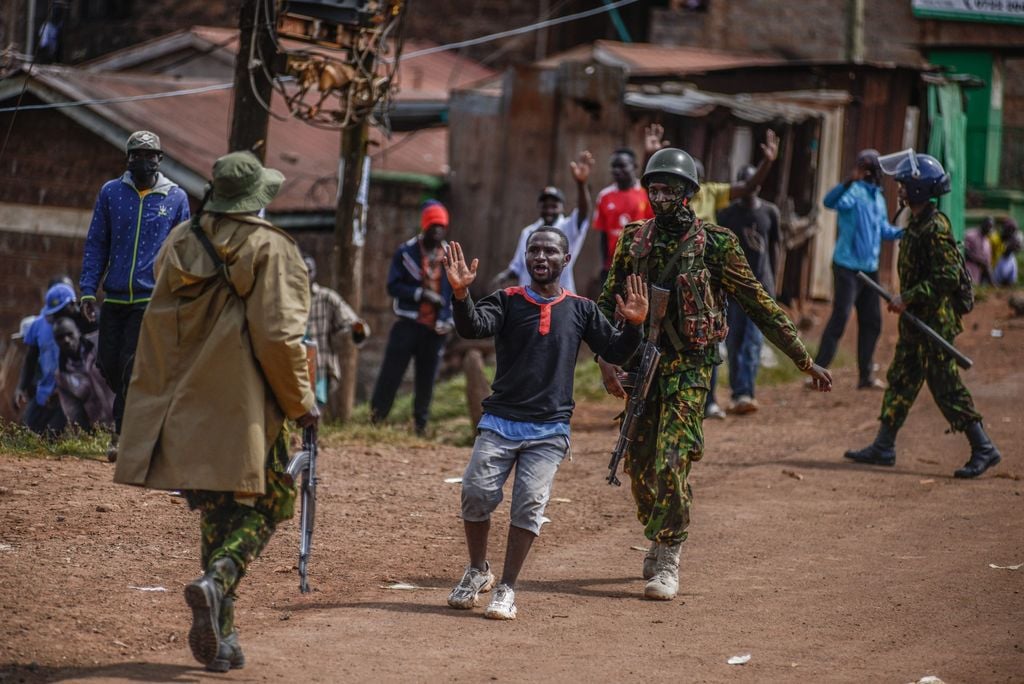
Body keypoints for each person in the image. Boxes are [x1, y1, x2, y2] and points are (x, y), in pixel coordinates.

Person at [596, 147, 832, 601]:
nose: (658, 194)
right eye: (653, 187)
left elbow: (760, 304)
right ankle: (659, 528)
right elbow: (605, 308)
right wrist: (606, 361)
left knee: (672, 458)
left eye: (668, 187)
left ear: (687, 193)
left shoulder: (716, 244)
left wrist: (804, 359)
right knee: (639, 466)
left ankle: (668, 551)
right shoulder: (633, 241)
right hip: (640, 363)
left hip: (690, 366)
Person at [113, 151, 319, 671]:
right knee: (269, 504)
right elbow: (278, 337)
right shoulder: (270, 247)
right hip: (246, 404)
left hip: (183, 402)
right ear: (257, 199)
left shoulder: (179, 240)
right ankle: (218, 579)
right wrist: (302, 405)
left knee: (216, 510)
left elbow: (157, 322)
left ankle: (222, 637)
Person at [443, 231, 647, 620]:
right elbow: (472, 327)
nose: (541, 255)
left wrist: (635, 325)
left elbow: (615, 350)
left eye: (550, 250)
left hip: (549, 430)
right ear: (525, 258)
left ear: (565, 259)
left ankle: (506, 587)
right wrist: (459, 295)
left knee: (528, 506)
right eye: (534, 249)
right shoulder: (507, 301)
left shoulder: (582, 310)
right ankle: (477, 571)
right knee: (475, 493)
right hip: (500, 421)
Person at [844, 152, 1001, 479]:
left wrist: (908, 297)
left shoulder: (935, 226)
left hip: (935, 322)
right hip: (916, 321)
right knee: (901, 377)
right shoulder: (915, 222)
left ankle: (983, 446)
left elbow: (945, 278)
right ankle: (884, 446)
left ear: (918, 190)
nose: (899, 189)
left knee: (945, 385)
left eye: (903, 185)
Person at [646, 126, 780, 419]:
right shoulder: (666, 201)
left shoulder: (710, 195)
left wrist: (767, 163)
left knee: (710, 342)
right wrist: (651, 154)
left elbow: (746, 188)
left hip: (705, 286)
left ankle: (709, 401)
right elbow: (650, 189)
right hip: (670, 283)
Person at [79, 130, 190, 461]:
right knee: (108, 364)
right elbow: (97, 242)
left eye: (149, 155)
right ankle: (142, 415)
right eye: (136, 155)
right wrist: (87, 290)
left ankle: (121, 435)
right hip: (114, 298)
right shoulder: (111, 193)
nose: (143, 160)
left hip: (150, 299)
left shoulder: (176, 198)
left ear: (159, 159)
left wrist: (180, 295)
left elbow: (182, 251)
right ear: (127, 158)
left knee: (130, 365)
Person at [813, 149, 902, 390]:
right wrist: (849, 181)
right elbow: (829, 202)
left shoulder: (878, 198)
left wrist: (903, 232)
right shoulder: (854, 191)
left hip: (869, 269)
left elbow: (883, 229)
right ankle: (817, 370)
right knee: (840, 317)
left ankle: (866, 376)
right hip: (847, 267)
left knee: (872, 321)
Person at [370, 201, 454, 435]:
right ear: (424, 226)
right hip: (408, 323)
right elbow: (393, 286)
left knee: (426, 379)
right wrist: (420, 294)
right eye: (433, 225)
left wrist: (449, 320)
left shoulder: (450, 255)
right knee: (391, 374)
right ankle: (376, 421)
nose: (437, 230)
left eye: (441, 226)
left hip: (435, 329)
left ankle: (420, 427)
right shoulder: (405, 252)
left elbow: (458, 292)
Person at [716, 165, 782, 414]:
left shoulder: (770, 212)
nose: (747, 187)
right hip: (733, 291)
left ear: (759, 185)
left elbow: (776, 248)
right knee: (733, 343)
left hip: (760, 289)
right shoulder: (726, 215)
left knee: (752, 343)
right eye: (742, 182)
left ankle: (746, 392)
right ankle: (737, 392)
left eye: (751, 182)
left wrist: (774, 284)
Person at [497, 151, 594, 294]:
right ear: (538, 207)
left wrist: (581, 184)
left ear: (562, 207)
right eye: (545, 205)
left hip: (559, 298)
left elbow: (583, 213)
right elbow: (518, 267)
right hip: (529, 298)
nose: (549, 210)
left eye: (553, 206)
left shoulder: (567, 228)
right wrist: (503, 277)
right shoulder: (528, 231)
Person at [302, 253, 370, 414]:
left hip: (317, 366)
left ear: (314, 272)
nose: (305, 275)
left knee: (314, 414)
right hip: (290, 366)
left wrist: (358, 329)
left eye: (309, 271)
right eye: (301, 271)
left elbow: (352, 321)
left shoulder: (325, 298)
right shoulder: (286, 299)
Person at [15, 283, 77, 434]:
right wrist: (21, 387)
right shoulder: (38, 326)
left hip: (69, 395)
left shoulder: (80, 327)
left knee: (53, 435)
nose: (55, 317)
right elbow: (31, 359)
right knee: (25, 434)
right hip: (44, 392)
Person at [592, 148, 654, 283]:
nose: (616, 170)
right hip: (615, 264)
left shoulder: (647, 193)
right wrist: (604, 264)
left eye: (622, 166)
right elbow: (603, 234)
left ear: (634, 166)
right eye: (614, 166)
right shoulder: (604, 196)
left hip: (641, 263)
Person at [53, 316, 115, 431]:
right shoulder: (62, 376)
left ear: (78, 331)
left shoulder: (101, 342)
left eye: (69, 334)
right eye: (60, 337)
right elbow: (74, 412)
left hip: (127, 417)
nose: (66, 340)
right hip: (104, 431)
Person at [964, 216, 994, 285]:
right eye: (987, 226)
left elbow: (986, 265)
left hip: (977, 279)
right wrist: (978, 261)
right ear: (982, 224)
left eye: (990, 227)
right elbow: (964, 252)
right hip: (966, 271)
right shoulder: (970, 235)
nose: (988, 229)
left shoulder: (987, 243)